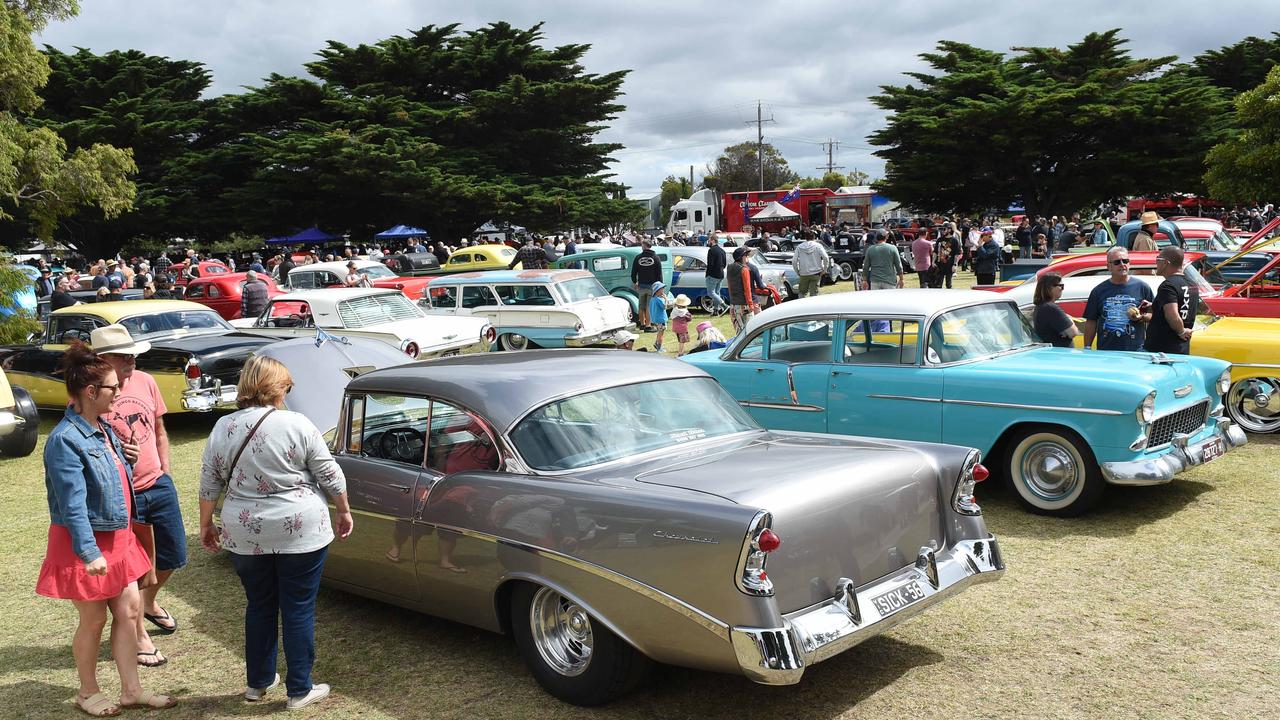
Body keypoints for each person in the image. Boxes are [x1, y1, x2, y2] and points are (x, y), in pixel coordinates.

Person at [198, 356, 353, 710]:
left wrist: (206, 523)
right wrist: (343, 510)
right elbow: (329, 473)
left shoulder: (223, 426)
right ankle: (300, 689)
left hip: (244, 530)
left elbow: (209, 480)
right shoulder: (296, 423)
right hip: (300, 528)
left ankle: (258, 682)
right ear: (278, 387)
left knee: (260, 605)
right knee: (297, 608)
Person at [37, 341, 177, 716]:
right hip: (88, 543)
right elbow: (72, 504)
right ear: (90, 391)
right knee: (94, 619)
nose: (120, 391)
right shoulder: (65, 440)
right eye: (114, 387)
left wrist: (126, 461)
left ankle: (131, 690)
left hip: (117, 537)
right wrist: (88, 552)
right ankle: (87, 692)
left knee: (130, 611)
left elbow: (110, 484)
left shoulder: (103, 428)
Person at [89, 325, 186, 668]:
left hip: (156, 483)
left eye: (133, 353)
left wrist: (166, 472)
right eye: (122, 355)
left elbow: (159, 430)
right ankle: (139, 635)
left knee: (173, 555)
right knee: (130, 566)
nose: (131, 359)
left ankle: (146, 603)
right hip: (120, 493)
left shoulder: (146, 381)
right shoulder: (89, 394)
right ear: (101, 360)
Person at [1083, 246, 1155, 351]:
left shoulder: (1142, 287)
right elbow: (1091, 321)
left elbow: (1155, 315)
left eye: (1125, 261)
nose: (1122, 264)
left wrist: (1141, 317)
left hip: (1136, 351)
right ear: (1109, 266)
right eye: (1117, 262)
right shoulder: (1098, 291)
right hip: (1107, 351)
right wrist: (1087, 347)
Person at [1145, 246, 1197, 354]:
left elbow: (1172, 314)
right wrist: (1154, 305)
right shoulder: (1192, 284)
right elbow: (1183, 306)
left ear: (1165, 262)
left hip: (1163, 350)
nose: (1156, 264)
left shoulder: (1168, 286)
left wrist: (1181, 331)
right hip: (1182, 347)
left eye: (1158, 260)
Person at [1032, 273, 1079, 348]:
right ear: (1049, 287)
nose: (1062, 289)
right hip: (1060, 356)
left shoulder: (1041, 307)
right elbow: (1073, 332)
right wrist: (1070, 320)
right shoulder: (1050, 308)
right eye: (1061, 286)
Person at [630, 241, 663, 330]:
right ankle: (648, 325)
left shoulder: (638, 257)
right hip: (652, 286)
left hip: (641, 285)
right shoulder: (656, 257)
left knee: (641, 305)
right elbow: (659, 273)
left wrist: (634, 282)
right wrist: (660, 286)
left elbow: (633, 272)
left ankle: (642, 324)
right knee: (648, 306)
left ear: (644, 246)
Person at [725, 248, 757, 334]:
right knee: (750, 331)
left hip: (734, 304)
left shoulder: (729, 267)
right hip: (744, 305)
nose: (747, 257)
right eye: (746, 255)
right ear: (741, 257)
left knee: (739, 332)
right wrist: (751, 305)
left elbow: (729, 286)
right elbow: (747, 289)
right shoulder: (744, 269)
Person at [791, 231, 830, 298]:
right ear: (814, 237)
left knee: (802, 293)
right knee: (814, 294)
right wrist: (825, 269)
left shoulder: (799, 247)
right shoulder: (818, 246)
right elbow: (826, 257)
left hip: (804, 273)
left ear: (805, 238)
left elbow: (794, 261)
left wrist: (797, 271)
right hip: (816, 273)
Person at [704, 233, 728, 313]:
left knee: (711, 293)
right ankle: (715, 310)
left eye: (709, 240)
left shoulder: (711, 250)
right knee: (717, 293)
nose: (709, 242)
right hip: (721, 274)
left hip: (713, 274)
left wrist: (708, 274)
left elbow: (710, 264)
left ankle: (724, 305)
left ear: (713, 240)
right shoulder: (722, 250)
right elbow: (724, 263)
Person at [648, 281, 669, 353]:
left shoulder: (652, 299)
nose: (663, 290)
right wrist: (666, 299)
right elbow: (664, 307)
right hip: (661, 320)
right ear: (657, 290)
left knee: (659, 333)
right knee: (661, 334)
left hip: (655, 320)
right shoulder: (659, 299)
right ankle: (659, 348)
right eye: (662, 289)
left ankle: (656, 344)